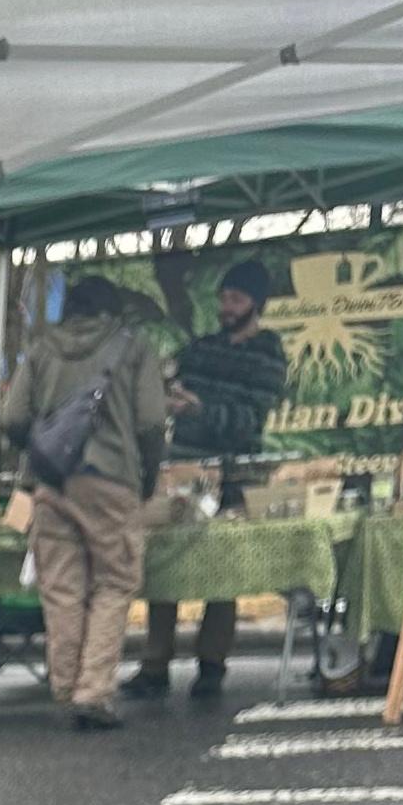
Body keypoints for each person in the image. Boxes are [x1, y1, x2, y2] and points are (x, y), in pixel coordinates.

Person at [0, 275, 167, 731]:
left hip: (51, 483)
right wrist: (147, 478)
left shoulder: (40, 349)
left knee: (62, 588)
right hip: (112, 480)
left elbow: (12, 417)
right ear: (111, 311)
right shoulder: (133, 347)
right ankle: (93, 692)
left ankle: (67, 685)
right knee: (115, 581)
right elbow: (152, 420)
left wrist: (41, 444)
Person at [131, 258, 290, 704]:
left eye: (236, 299)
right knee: (164, 560)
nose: (226, 306)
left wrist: (201, 409)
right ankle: (154, 662)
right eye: (223, 298)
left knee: (221, 569)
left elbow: (250, 419)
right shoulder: (200, 348)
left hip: (232, 471)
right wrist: (166, 394)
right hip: (180, 468)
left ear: (256, 304)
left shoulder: (268, 356)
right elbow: (165, 378)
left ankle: (211, 664)